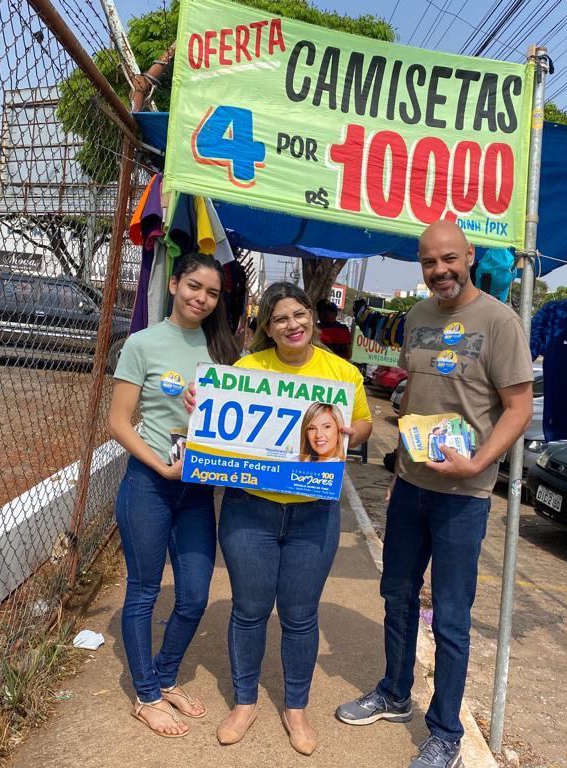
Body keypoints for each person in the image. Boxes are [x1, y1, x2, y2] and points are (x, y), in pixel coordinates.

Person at [336, 220, 534, 768]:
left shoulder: (501, 322)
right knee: (395, 594)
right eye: (428, 262)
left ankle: (444, 731)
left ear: (469, 256)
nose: (440, 271)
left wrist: (479, 463)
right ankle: (395, 693)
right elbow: (417, 395)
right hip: (411, 486)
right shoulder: (417, 318)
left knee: (449, 615)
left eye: (449, 259)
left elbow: (519, 409)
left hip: (464, 495)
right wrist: (401, 468)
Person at [216, 282, 372, 755]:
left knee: (301, 616)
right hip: (250, 509)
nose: (293, 324)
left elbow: (364, 424)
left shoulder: (341, 373)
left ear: (312, 317)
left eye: (299, 313)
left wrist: (351, 429)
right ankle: (244, 702)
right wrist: (202, 408)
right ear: (268, 326)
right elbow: (219, 426)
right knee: (249, 610)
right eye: (280, 318)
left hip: (313, 513)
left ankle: (296, 708)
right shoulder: (246, 369)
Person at [107, 253, 239, 738]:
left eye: (211, 292)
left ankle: (165, 675)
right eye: (193, 286)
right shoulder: (142, 343)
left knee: (195, 595)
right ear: (175, 284)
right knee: (143, 590)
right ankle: (146, 694)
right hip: (149, 485)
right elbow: (119, 421)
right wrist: (161, 464)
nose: (200, 298)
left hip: (198, 492)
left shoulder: (223, 348)